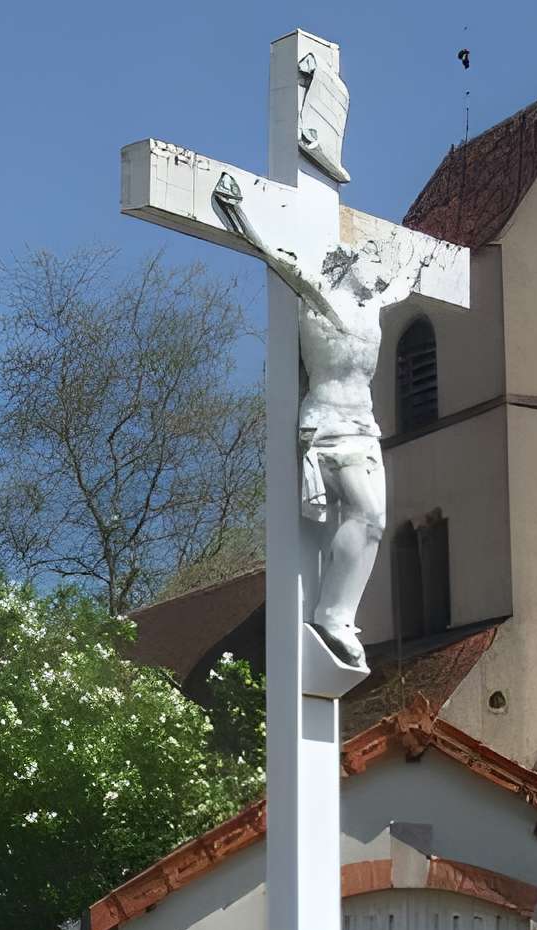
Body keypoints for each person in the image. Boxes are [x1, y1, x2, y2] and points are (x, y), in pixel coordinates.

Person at [212, 172, 398, 673]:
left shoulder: (373, 309)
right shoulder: (320, 298)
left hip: (365, 426)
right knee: (365, 511)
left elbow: (427, 269)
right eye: (370, 265)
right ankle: (332, 615)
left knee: (375, 522)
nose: (379, 275)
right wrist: (237, 215)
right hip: (327, 424)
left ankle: (340, 613)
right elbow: (276, 257)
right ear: (348, 265)